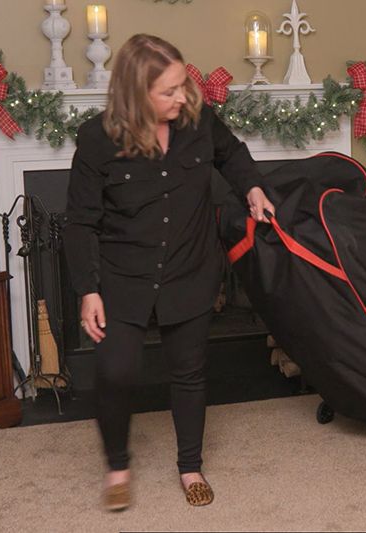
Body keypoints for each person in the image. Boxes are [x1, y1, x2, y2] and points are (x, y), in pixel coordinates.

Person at [62, 33, 275, 512]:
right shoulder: (97, 140)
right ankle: (118, 466)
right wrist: (88, 290)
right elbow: (80, 222)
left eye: (183, 84)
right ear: (136, 94)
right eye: (169, 91)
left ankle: (190, 466)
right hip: (124, 274)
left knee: (189, 371)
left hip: (189, 266)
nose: (182, 97)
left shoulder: (198, 120)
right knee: (115, 371)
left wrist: (253, 188)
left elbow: (232, 154)